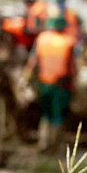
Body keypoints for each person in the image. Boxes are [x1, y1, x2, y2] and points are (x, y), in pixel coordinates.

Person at [23, 16, 78, 151]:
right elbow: (74, 67)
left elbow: (33, 62)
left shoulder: (42, 38)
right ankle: (55, 145)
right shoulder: (68, 41)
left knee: (46, 113)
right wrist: (75, 86)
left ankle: (43, 143)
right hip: (62, 85)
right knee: (58, 115)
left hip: (45, 83)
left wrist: (26, 79)